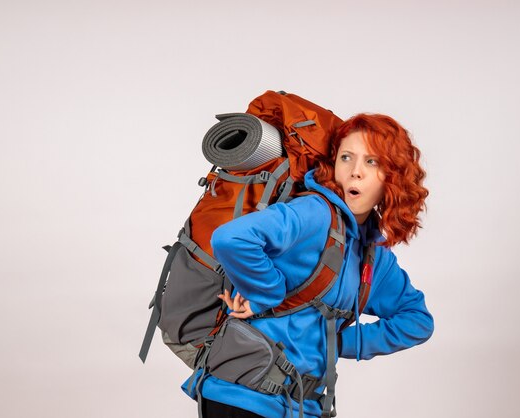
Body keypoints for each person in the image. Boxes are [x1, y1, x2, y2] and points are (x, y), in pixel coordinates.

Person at [184, 113, 434, 418]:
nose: (355, 172)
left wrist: (340, 342)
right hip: (241, 397)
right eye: (346, 157)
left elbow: (417, 320)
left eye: (372, 162)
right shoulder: (313, 212)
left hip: (303, 406)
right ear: (333, 165)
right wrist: (267, 294)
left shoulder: (373, 255)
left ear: (392, 178)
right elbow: (231, 238)